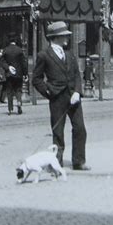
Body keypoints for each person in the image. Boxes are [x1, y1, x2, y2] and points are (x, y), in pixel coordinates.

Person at [32, 21, 89, 171]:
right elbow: (36, 79)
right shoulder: (44, 55)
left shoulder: (70, 54)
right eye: (65, 35)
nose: (67, 38)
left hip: (73, 97)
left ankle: (79, 161)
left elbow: (77, 74)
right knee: (58, 132)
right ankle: (56, 164)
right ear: (55, 37)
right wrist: (48, 92)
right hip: (57, 98)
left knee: (80, 128)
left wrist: (77, 91)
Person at [0, 34, 28, 115]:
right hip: (18, 74)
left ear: (9, 41)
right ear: (15, 41)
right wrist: (25, 74)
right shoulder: (19, 50)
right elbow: (24, 63)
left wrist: (8, 67)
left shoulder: (5, 50)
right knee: (18, 89)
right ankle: (19, 102)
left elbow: (1, 61)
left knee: (9, 91)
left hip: (9, 74)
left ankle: (10, 109)